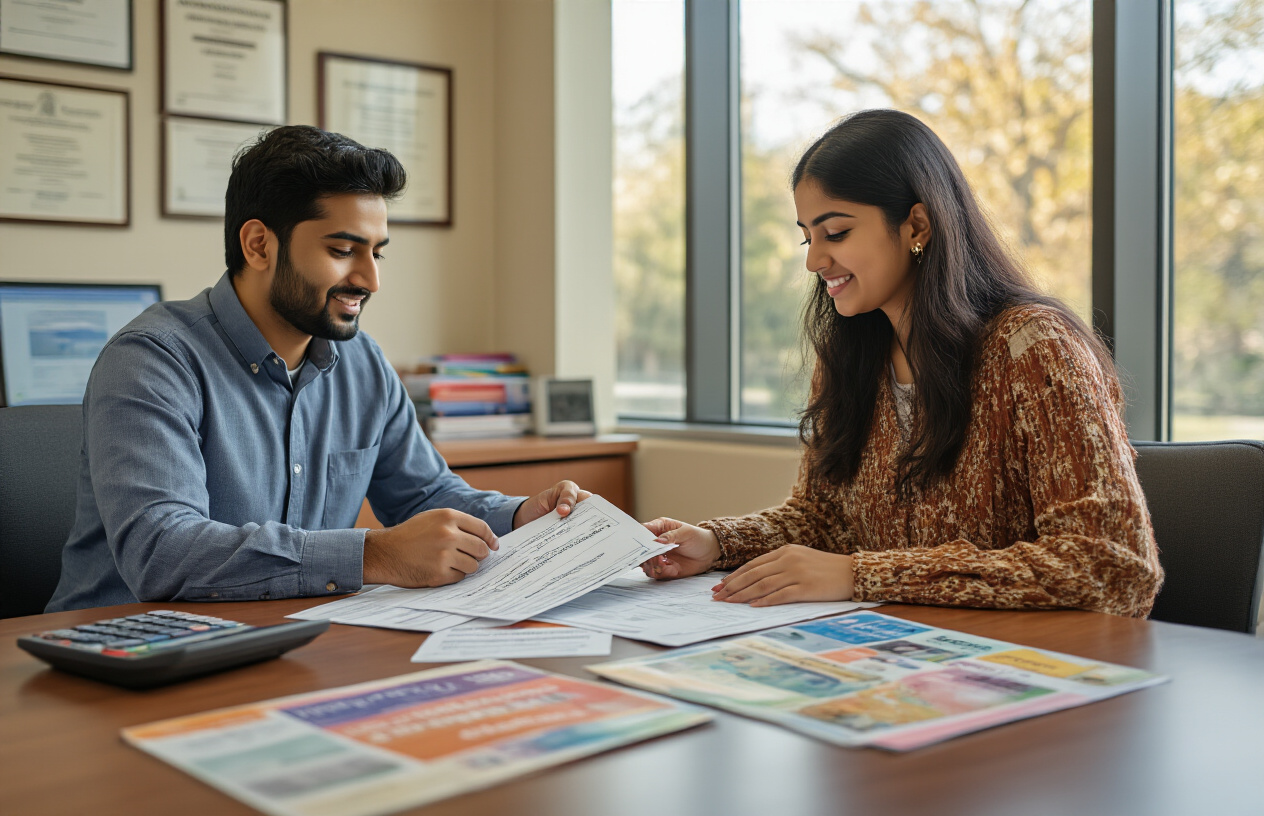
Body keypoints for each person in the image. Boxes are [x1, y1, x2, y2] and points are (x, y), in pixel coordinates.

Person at [641, 109, 1163, 618]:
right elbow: (824, 520)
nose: (813, 260)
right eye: (808, 236)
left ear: (917, 223)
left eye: (836, 233)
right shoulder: (849, 359)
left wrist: (859, 575)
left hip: (1032, 664)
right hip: (902, 653)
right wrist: (716, 543)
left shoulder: (1034, 348)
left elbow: (1111, 567)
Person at [47, 125, 587, 612]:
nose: (369, 280)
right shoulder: (153, 359)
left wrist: (520, 517)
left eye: (377, 253)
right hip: (118, 653)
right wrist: (374, 555)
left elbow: (426, 496)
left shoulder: (362, 363)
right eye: (342, 249)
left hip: (282, 639)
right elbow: (163, 551)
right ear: (259, 244)